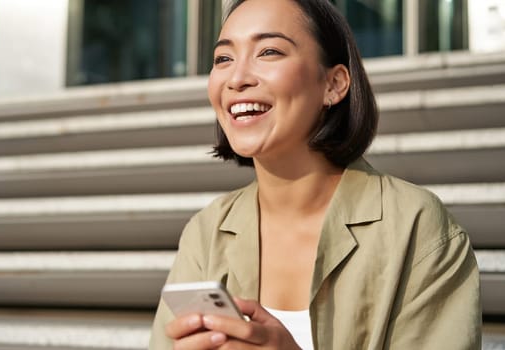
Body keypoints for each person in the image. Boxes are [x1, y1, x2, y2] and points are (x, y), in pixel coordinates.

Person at [149, 0, 481, 348]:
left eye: (269, 51)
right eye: (223, 59)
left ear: (334, 84)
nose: (237, 79)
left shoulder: (415, 226)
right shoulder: (206, 232)